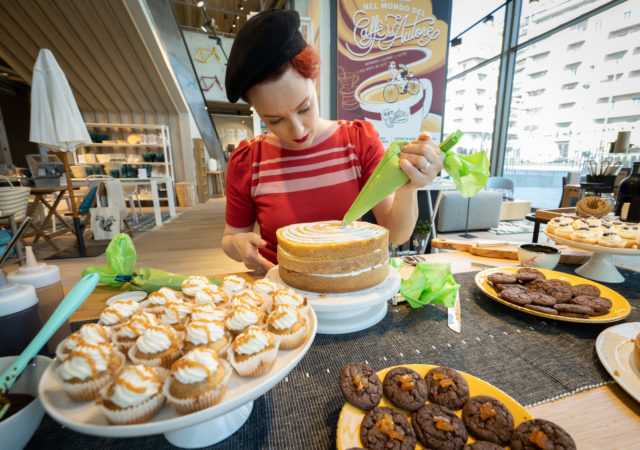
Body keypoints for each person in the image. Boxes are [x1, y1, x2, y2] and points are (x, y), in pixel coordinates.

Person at [222, 10, 443, 274]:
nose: (297, 129)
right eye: (275, 120)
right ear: (257, 112)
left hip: (349, 287)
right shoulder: (249, 161)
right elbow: (230, 237)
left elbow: (396, 234)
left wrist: (409, 187)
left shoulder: (357, 142)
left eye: (304, 108)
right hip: (282, 294)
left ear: (314, 79)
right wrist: (237, 245)